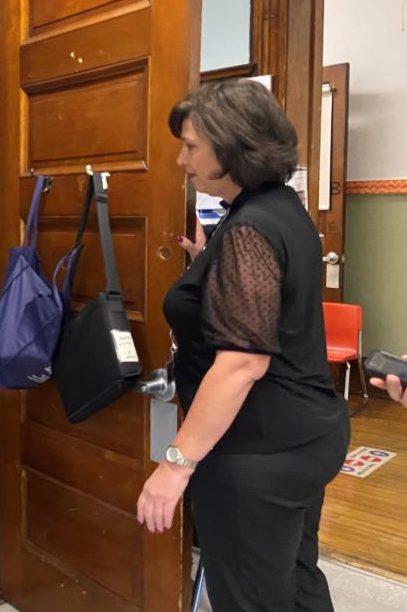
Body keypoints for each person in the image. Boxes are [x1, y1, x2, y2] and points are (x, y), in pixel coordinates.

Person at [136, 80, 350, 612]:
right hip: (308, 434)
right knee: (295, 578)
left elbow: (240, 365)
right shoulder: (278, 208)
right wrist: (212, 262)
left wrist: (175, 465)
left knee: (252, 598)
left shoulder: (249, 230)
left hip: (259, 453)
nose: (181, 159)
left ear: (231, 149)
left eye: (191, 146)